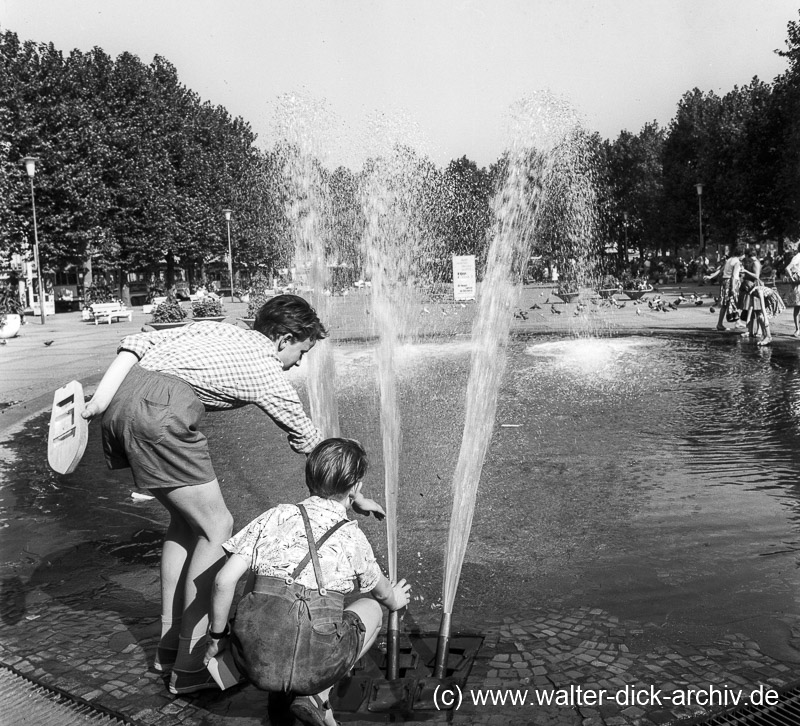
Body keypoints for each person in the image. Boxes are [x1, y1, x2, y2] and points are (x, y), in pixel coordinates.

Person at [81, 294, 385, 695]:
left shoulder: (220, 329)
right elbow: (308, 437)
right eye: (302, 351)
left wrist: (99, 401)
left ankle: (169, 649)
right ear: (284, 338)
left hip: (125, 400)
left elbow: (140, 342)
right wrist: (351, 493)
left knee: (187, 525)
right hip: (163, 415)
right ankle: (190, 668)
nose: (299, 363)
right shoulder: (266, 371)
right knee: (217, 526)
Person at [204, 438, 411, 726]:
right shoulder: (352, 537)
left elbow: (223, 581)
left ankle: (281, 695)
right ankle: (317, 694)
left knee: (260, 579)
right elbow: (383, 592)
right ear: (354, 487)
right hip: (316, 665)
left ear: (309, 476)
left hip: (252, 661)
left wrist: (217, 639)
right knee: (371, 607)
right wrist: (395, 601)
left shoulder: (275, 516)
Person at [704, 245, 744, 331]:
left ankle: (731, 322)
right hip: (732, 283)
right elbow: (734, 276)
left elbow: (720, 270)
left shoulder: (729, 260)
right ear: (741, 254)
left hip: (725, 282)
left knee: (725, 303)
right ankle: (722, 324)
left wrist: (711, 277)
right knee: (735, 301)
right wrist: (733, 288)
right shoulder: (737, 262)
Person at [738, 247, 762, 339]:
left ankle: (759, 330)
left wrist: (746, 271)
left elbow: (757, 276)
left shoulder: (756, 263)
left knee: (757, 310)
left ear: (749, 255)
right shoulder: (752, 262)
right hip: (749, 286)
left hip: (755, 287)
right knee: (750, 310)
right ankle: (750, 331)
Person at [783, 241, 800, 337]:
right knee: (797, 307)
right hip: (798, 285)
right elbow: (787, 268)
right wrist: (792, 278)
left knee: (798, 308)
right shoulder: (797, 257)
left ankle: (798, 330)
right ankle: (797, 329)